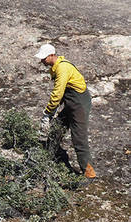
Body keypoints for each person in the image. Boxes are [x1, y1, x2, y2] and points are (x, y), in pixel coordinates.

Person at [35, 43, 96, 180]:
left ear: (51, 55)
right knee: (57, 129)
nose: (42, 61)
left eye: (44, 58)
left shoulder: (62, 68)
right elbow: (62, 94)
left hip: (79, 104)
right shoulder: (56, 67)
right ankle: (51, 159)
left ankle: (90, 175)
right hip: (71, 102)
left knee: (79, 139)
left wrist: (48, 113)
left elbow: (57, 93)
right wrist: (55, 110)